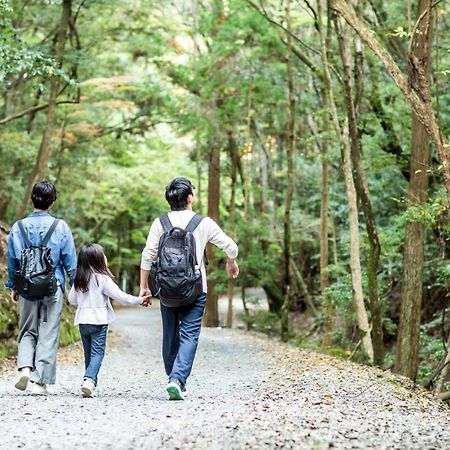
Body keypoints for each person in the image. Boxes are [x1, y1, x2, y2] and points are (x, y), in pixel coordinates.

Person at [140, 177, 239, 400]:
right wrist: (230, 261)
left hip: (166, 289)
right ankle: (177, 379)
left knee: (170, 334)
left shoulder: (160, 223)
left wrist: (144, 287)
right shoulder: (202, 223)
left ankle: (172, 377)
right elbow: (231, 247)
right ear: (190, 198)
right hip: (195, 289)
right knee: (190, 335)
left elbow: (147, 256)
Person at [5, 181, 77, 395]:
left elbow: (12, 261)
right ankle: (39, 382)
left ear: (32, 199)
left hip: (26, 285)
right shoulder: (61, 227)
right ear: (52, 202)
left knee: (27, 329)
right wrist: (75, 287)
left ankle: (25, 367)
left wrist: (13, 286)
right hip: (52, 285)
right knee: (48, 330)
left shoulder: (18, 227)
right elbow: (70, 262)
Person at [68, 243, 152, 397]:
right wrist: (139, 300)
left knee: (89, 353)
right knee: (98, 353)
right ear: (98, 260)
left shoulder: (78, 279)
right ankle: (89, 379)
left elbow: (72, 300)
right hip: (99, 321)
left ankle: (89, 381)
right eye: (103, 255)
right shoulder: (103, 279)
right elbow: (121, 297)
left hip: (83, 321)